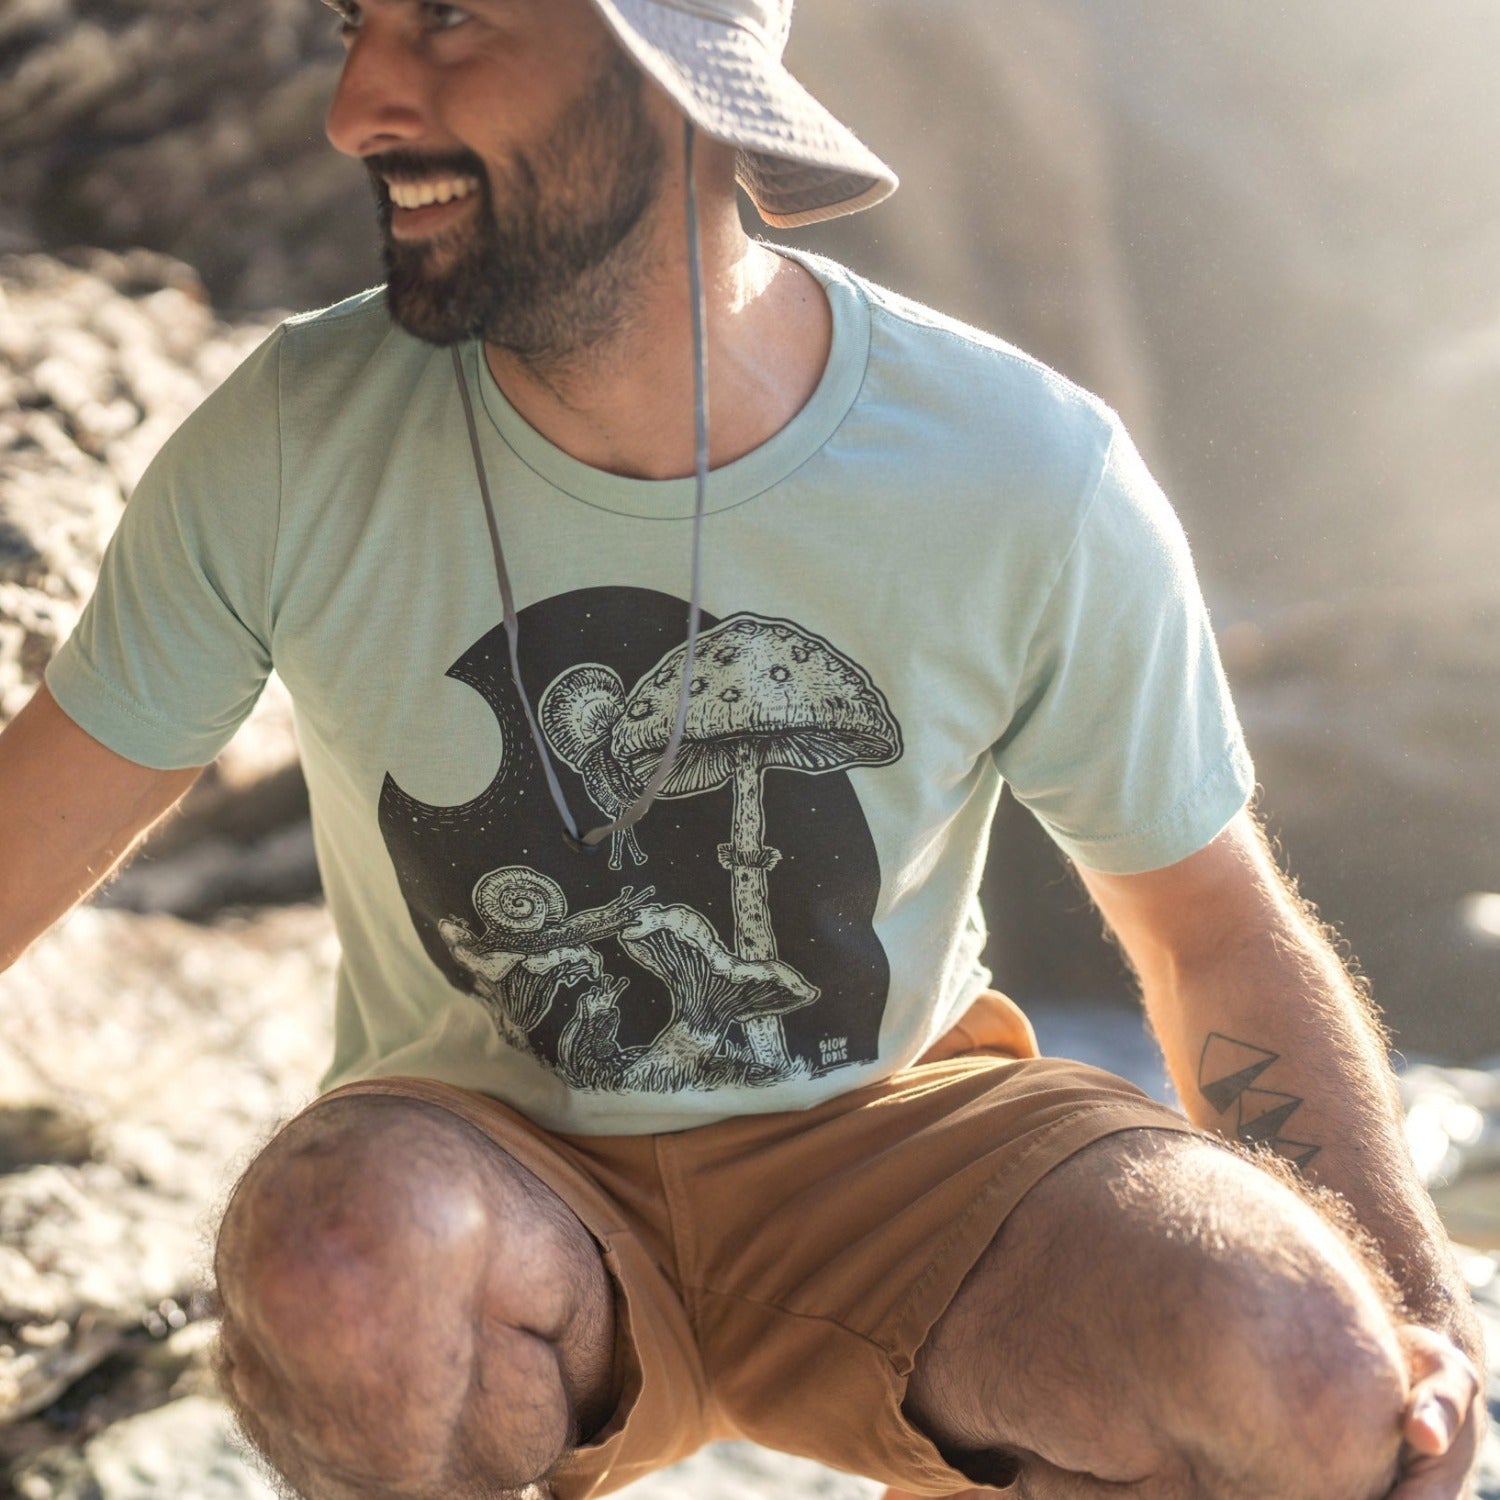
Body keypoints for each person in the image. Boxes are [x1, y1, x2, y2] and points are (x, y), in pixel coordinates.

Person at [0, 0, 1485, 1495]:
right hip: (494, 1174)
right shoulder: (290, 442)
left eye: (449, 21)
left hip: (907, 1157)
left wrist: (1414, 1310)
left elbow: (1213, 929)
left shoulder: (1022, 468)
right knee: (339, 1249)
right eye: (356, 26)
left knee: (1320, 1384)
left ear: (676, 83)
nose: (358, 105)